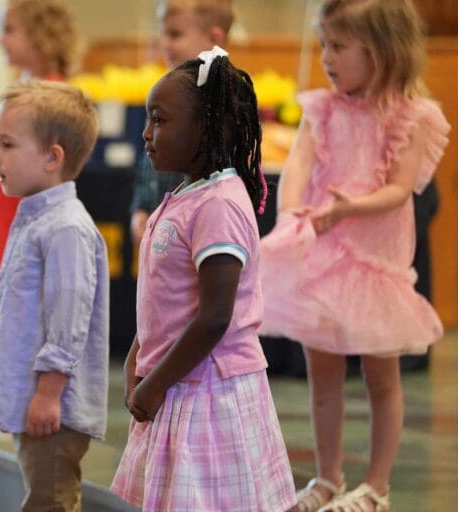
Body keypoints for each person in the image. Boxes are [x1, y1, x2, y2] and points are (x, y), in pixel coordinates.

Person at [258, 1, 450, 510]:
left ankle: (378, 486)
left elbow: (399, 189)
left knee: (379, 375)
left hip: (373, 260)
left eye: (339, 46)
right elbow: (298, 165)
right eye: (324, 44)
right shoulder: (322, 107)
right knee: (322, 373)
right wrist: (293, 210)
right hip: (322, 256)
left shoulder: (414, 116)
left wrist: (349, 208)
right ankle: (327, 477)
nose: (326, 57)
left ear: (383, 52)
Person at [110, 48, 296, 511]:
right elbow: (166, 302)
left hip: (206, 393)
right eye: (148, 120)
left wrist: (155, 384)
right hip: (176, 381)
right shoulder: (188, 195)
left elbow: (214, 317)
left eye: (160, 121)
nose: (147, 135)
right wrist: (139, 354)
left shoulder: (218, 204)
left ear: (207, 129)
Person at [0, 81, 108, 512]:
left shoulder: (65, 227)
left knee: (50, 501)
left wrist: (49, 393)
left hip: (55, 406)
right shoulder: (35, 218)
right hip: (39, 401)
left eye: (8, 144)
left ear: (53, 157)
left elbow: (69, 318)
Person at [0, 0, 81, 341]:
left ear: (41, 34)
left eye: (10, 30)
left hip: (25, 218)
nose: (1, 40)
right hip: (3, 213)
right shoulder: (20, 89)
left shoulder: (53, 96)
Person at [130, 0, 234, 244]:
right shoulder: (165, 90)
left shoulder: (224, 98)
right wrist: (141, 209)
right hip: (159, 226)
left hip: (196, 232)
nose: (164, 44)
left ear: (214, 38)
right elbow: (147, 159)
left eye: (175, 34)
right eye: (163, 33)